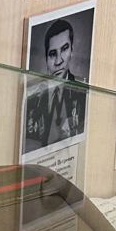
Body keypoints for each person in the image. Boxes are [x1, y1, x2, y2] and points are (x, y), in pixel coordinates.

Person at [25, 19, 88, 151]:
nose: (58, 61)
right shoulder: (32, 97)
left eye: (64, 49)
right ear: (46, 59)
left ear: (72, 51)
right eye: (53, 54)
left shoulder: (84, 93)